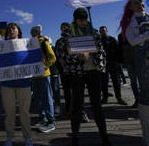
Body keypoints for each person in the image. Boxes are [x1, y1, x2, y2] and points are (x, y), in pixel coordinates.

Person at [57, 9, 111, 146]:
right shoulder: (67, 34)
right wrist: (78, 56)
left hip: (93, 71)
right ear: (75, 19)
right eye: (80, 19)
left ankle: (104, 136)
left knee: (97, 104)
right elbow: (62, 54)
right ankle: (75, 137)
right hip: (77, 73)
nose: (83, 22)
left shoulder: (93, 32)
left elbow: (101, 51)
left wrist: (96, 60)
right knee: (77, 105)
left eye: (84, 19)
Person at [120, 0, 149, 146]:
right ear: (131, 7)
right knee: (146, 94)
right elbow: (133, 41)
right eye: (136, 3)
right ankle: (146, 135)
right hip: (145, 61)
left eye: (141, 2)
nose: (140, 4)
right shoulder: (129, 22)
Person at [0, 23, 33, 146]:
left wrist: (39, 59)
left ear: (18, 31)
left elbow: (33, 58)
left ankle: (27, 138)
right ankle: (9, 137)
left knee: (24, 111)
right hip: (7, 83)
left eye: (13, 28)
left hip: (24, 82)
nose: (11, 30)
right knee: (9, 112)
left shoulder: (27, 44)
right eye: (9, 28)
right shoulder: (0, 45)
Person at [54, 22, 89, 122]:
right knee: (67, 92)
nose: (65, 29)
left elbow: (84, 54)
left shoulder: (77, 39)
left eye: (66, 27)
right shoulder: (59, 42)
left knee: (79, 92)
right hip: (66, 71)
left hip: (78, 70)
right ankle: (69, 110)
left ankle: (82, 112)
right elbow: (58, 56)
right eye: (63, 28)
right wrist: (64, 67)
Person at [30, 25, 57, 133]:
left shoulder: (43, 42)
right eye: (32, 32)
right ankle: (43, 118)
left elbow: (53, 57)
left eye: (34, 32)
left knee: (46, 97)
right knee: (38, 98)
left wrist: (45, 66)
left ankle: (51, 121)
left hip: (44, 75)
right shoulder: (30, 44)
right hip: (35, 75)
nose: (33, 33)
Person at [99, 26, 127, 105]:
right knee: (104, 82)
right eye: (101, 31)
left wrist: (119, 61)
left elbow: (118, 50)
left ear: (107, 31)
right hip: (103, 64)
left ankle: (119, 98)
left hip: (113, 63)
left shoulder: (112, 39)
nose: (102, 32)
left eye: (104, 30)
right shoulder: (99, 41)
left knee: (116, 82)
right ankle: (105, 98)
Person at [118, 33, 140, 108]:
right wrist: (121, 61)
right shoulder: (121, 36)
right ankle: (137, 100)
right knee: (133, 82)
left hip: (139, 60)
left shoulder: (136, 32)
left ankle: (145, 102)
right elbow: (120, 49)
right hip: (128, 61)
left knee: (142, 82)